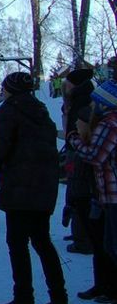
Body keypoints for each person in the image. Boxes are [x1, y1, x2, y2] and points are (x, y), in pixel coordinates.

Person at [0, 71, 69, 304]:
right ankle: (60, 300)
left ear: (11, 89)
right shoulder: (41, 111)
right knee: (42, 242)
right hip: (43, 186)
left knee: (17, 244)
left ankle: (23, 301)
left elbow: (0, 147)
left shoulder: (9, 111)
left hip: (19, 186)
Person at [69, 80, 117, 304]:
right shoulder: (106, 123)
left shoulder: (110, 124)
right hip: (107, 194)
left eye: (96, 101)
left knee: (114, 245)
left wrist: (74, 140)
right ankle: (107, 288)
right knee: (108, 244)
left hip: (113, 193)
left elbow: (95, 155)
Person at [61, 68, 96, 255]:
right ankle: (79, 232)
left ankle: (83, 237)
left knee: (79, 192)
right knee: (73, 190)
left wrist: (73, 140)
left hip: (79, 153)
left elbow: (79, 130)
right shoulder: (73, 100)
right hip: (73, 150)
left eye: (69, 82)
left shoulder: (82, 102)